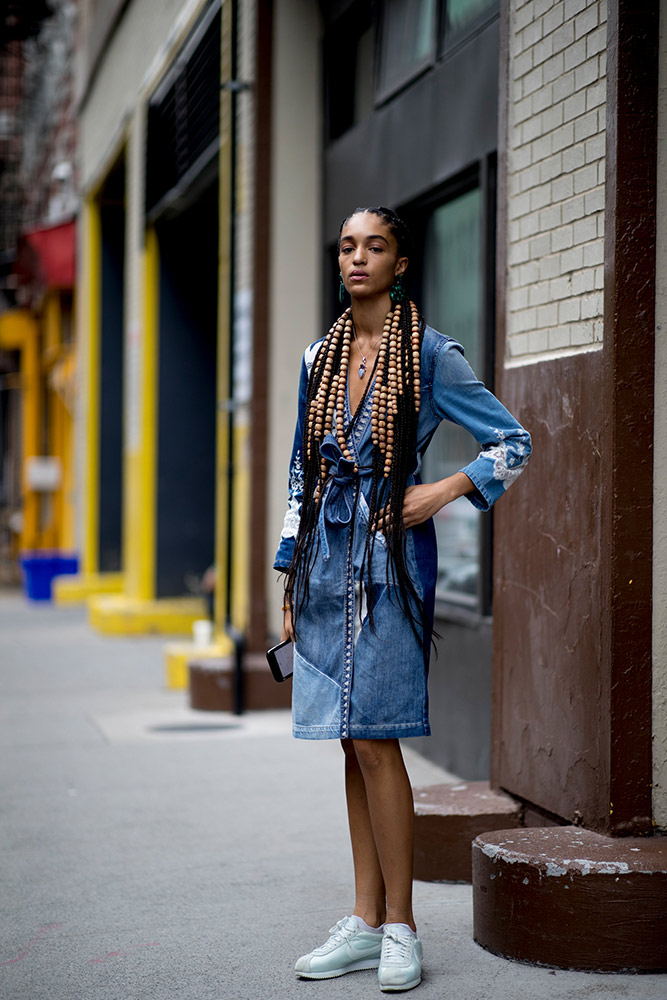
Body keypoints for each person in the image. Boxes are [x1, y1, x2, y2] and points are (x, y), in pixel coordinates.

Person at [273, 206, 531, 992]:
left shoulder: (428, 354)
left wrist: (444, 491)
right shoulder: (319, 355)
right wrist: (288, 571)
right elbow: (300, 475)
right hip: (324, 565)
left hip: (389, 565)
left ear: (401, 262)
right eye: (347, 246)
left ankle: (401, 927)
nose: (356, 258)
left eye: (373, 246)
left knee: (378, 736)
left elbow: (512, 442)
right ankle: (361, 917)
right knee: (350, 741)